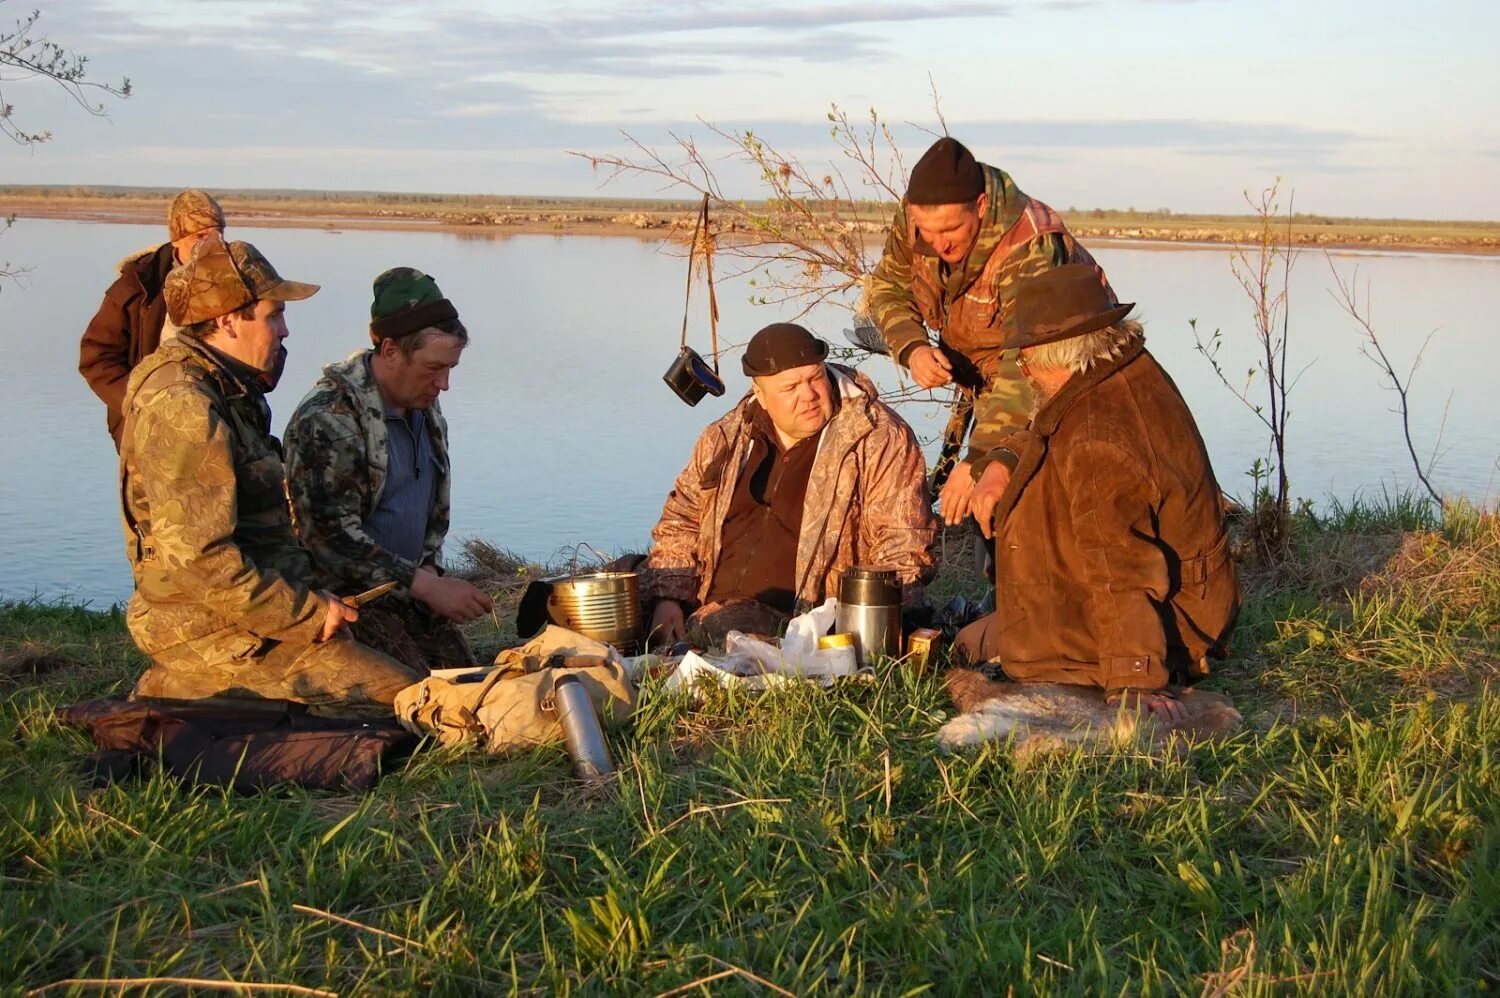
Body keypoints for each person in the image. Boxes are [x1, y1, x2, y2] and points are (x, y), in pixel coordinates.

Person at [118, 237, 423, 718]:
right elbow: (201, 561)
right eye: (273, 315)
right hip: (203, 626)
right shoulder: (185, 404)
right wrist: (305, 614)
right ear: (226, 320)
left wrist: (312, 597)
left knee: (420, 665)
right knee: (404, 701)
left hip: (251, 610)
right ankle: (187, 687)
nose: (285, 331)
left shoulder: (231, 387)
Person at [950, 265, 1239, 722]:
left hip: (1171, 624)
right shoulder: (1119, 372)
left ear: (1054, 357)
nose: (1022, 371)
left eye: (1024, 360)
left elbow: (1121, 566)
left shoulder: (1098, 439)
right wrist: (1001, 463)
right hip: (1186, 599)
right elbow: (1045, 428)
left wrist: (1135, 678)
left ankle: (1103, 661)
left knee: (968, 647)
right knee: (982, 634)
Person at [867, 137, 1113, 531]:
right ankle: (999, 582)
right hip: (992, 371)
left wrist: (980, 456)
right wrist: (912, 347)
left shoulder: (1030, 245)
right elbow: (887, 287)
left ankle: (1022, 582)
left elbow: (1027, 366)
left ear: (980, 205)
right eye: (928, 232)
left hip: (1060, 371)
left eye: (951, 229)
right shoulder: (918, 218)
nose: (939, 242)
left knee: (1011, 479)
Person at [643, 322, 938, 646]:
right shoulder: (723, 438)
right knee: (614, 586)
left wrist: (857, 629)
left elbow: (904, 546)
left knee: (731, 621)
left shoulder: (877, 437)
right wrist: (667, 599)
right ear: (761, 395)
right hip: (705, 610)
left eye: (815, 378)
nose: (808, 396)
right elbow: (681, 519)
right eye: (790, 388)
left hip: (808, 625)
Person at [283, 268, 492, 671]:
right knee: (414, 695)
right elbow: (330, 540)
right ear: (391, 350)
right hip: (346, 603)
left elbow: (428, 508)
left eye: (450, 369)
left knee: (472, 682)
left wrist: (429, 569)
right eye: (433, 369)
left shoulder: (422, 406)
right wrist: (427, 585)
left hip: (407, 591)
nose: (443, 384)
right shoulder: (330, 419)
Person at [80, 189, 227, 448]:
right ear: (177, 239)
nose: (212, 245)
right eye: (200, 236)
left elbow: (266, 347)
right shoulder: (136, 287)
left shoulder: (236, 285)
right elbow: (97, 357)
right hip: (147, 433)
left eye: (219, 235)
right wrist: (140, 403)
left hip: (220, 428)